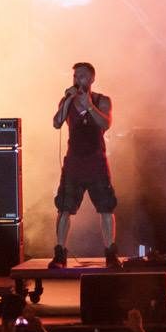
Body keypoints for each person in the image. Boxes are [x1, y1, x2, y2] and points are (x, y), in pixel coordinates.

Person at [49, 61, 120, 270]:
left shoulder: (102, 100)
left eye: (81, 76)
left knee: (106, 208)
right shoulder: (67, 100)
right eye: (75, 76)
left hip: (96, 163)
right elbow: (56, 123)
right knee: (64, 208)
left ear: (91, 79)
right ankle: (60, 254)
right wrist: (68, 100)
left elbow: (105, 124)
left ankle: (111, 254)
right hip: (74, 163)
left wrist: (88, 105)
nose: (77, 79)